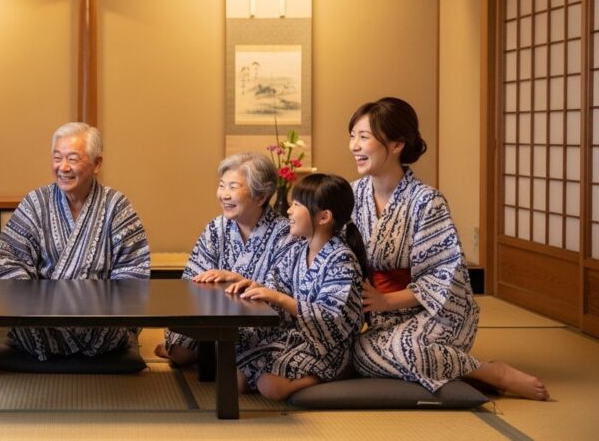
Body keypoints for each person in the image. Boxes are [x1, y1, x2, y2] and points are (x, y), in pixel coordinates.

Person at [349, 97, 548, 400]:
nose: (354, 146)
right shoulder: (352, 195)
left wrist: (387, 300)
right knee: (357, 353)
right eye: (352, 136)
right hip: (380, 317)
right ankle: (457, 367)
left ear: (397, 144)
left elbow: (442, 278)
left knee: (409, 350)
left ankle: (492, 372)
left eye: (364, 137)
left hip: (436, 313)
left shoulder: (427, 201)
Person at [0, 122, 151, 360]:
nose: (63, 167)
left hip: (100, 326)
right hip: (40, 324)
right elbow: (7, 261)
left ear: (97, 164)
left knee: (115, 326)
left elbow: (134, 269)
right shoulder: (36, 203)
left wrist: (98, 307)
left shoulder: (117, 206)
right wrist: (36, 306)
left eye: (73, 159)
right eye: (57, 158)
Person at [227, 173, 367, 400]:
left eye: (297, 205)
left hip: (329, 347)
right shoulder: (297, 250)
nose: (289, 211)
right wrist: (256, 288)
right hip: (298, 338)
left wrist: (278, 298)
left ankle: (336, 373)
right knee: (238, 379)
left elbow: (331, 318)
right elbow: (276, 285)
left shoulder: (341, 259)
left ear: (324, 217)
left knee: (269, 386)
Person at [155, 152, 294, 366]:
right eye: (222, 185)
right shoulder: (216, 228)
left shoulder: (285, 234)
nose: (224, 195)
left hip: (262, 326)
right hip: (212, 316)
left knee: (239, 361)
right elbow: (191, 279)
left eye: (233, 187)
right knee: (180, 352)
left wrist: (238, 280)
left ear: (261, 196)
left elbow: (280, 295)